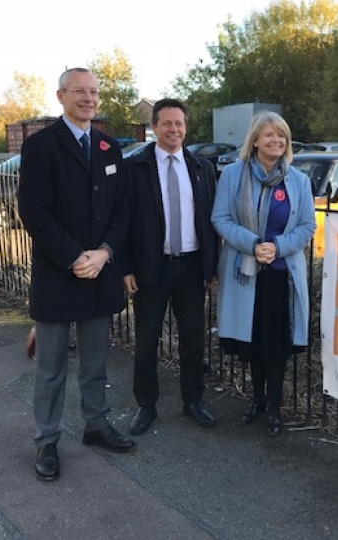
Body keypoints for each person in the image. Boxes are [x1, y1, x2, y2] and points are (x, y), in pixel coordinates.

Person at [18, 67, 135, 482]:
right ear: (61, 96)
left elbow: (122, 210)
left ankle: (96, 425)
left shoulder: (108, 146)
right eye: (79, 91)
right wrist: (74, 257)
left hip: (99, 271)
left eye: (93, 92)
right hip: (58, 272)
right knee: (50, 367)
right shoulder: (41, 146)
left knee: (95, 363)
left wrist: (104, 253)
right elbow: (34, 212)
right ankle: (46, 439)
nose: (88, 98)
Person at [210, 112, 316, 436]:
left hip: (281, 272)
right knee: (252, 339)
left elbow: (307, 226)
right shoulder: (232, 175)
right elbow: (221, 218)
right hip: (246, 269)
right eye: (269, 135)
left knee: (277, 342)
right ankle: (256, 400)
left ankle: (274, 408)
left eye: (281, 135)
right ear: (254, 140)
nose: (276, 141)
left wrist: (278, 246)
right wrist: (254, 244)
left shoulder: (298, 180)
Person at [122, 98, 220, 435]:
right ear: (154, 127)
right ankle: (145, 405)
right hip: (152, 267)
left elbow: (211, 222)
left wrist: (212, 267)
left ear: (186, 127)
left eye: (179, 124)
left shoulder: (201, 167)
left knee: (193, 339)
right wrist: (126, 267)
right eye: (166, 124)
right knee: (147, 340)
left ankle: (193, 401)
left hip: (192, 268)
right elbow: (124, 222)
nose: (174, 129)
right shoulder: (136, 167)